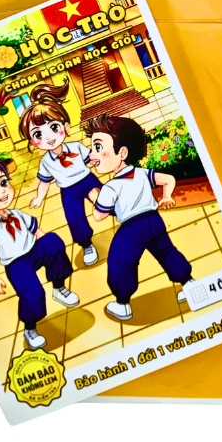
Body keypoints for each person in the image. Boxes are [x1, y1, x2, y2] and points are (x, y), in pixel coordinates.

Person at [0, 156, 79, 350]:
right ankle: (30, 329)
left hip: (33, 250)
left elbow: (35, 230)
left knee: (53, 241)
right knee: (33, 294)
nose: (2, 191)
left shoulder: (16, 214)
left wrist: (46, 244)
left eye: (3, 183)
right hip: (16, 265)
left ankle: (59, 288)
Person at [85, 113, 193, 321]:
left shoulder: (110, 187)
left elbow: (99, 216)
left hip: (132, 229)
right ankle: (188, 283)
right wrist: (166, 196)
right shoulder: (142, 173)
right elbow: (168, 179)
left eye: (97, 147)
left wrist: (95, 199)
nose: (92, 155)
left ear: (122, 152)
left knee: (120, 262)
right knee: (166, 252)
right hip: (154, 221)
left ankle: (122, 304)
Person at [20, 79, 101, 266]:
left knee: (106, 201)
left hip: (88, 180)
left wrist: (103, 161)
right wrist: (39, 198)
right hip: (68, 190)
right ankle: (87, 245)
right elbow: (44, 182)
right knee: (74, 218)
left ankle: (129, 217)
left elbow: (92, 159)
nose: (48, 137)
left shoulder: (76, 147)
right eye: (38, 134)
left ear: (65, 127)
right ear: (32, 142)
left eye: (53, 127)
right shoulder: (45, 162)